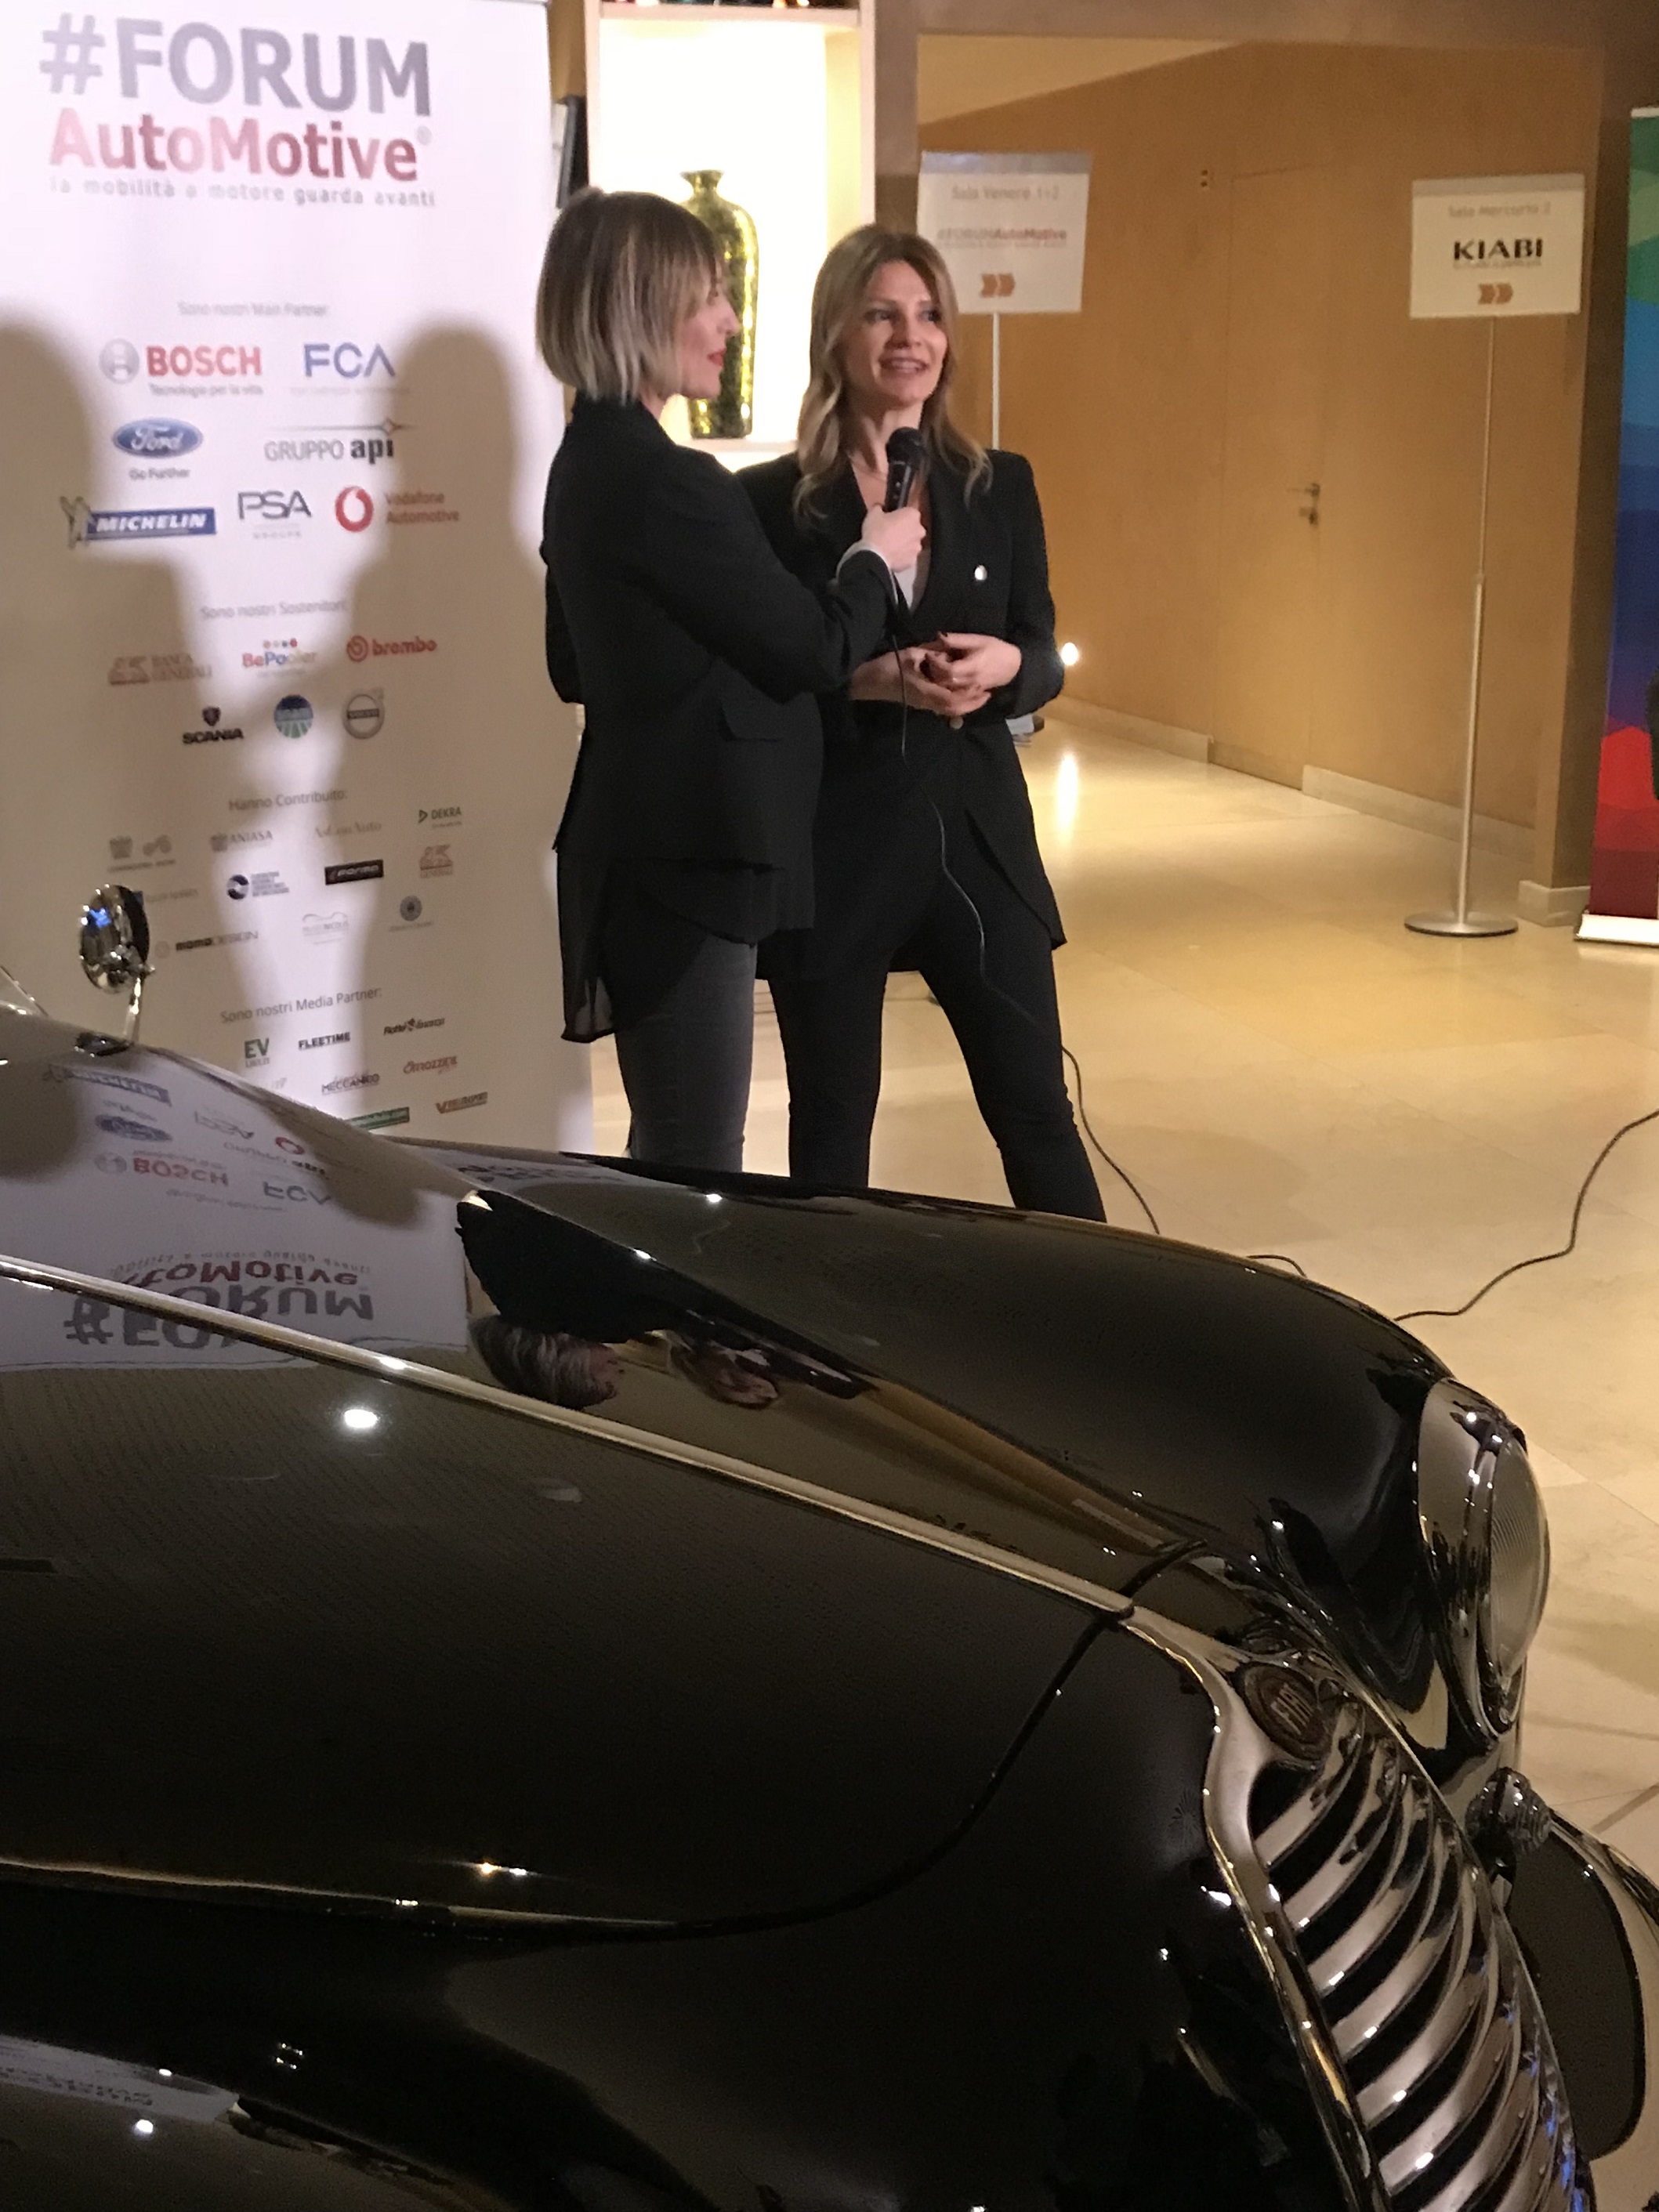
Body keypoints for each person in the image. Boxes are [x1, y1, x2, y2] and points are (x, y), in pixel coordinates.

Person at [536, 190, 924, 1175]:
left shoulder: (586, 462)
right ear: (642, 306)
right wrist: (874, 557)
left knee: (675, 1142)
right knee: (696, 1165)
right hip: (692, 857)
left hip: (647, 849)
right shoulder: (669, 481)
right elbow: (815, 650)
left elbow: (572, 663)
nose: (730, 323)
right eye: (709, 297)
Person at [739, 228, 1103, 1220]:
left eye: (929, 315)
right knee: (830, 1128)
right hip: (838, 844)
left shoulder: (999, 485)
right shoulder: (769, 504)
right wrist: (864, 682)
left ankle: (1099, 1306)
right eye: (882, 314)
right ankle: (827, 1311)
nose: (911, 337)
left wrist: (1008, 669)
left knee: (1035, 1112)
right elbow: (759, 679)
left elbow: (1039, 648)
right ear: (835, 333)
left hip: (977, 836)